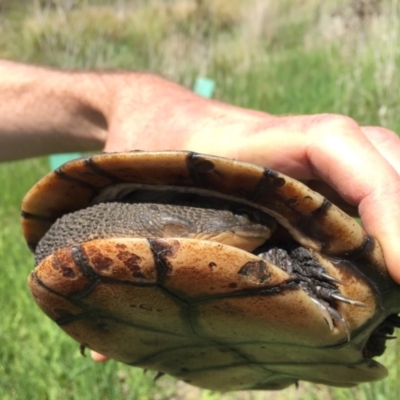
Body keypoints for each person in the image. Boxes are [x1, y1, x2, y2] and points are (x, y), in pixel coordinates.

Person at [2, 58, 400, 362]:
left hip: (281, 347)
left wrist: (124, 101)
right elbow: (49, 259)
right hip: (192, 349)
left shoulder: (242, 232)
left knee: (311, 269)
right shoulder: (76, 227)